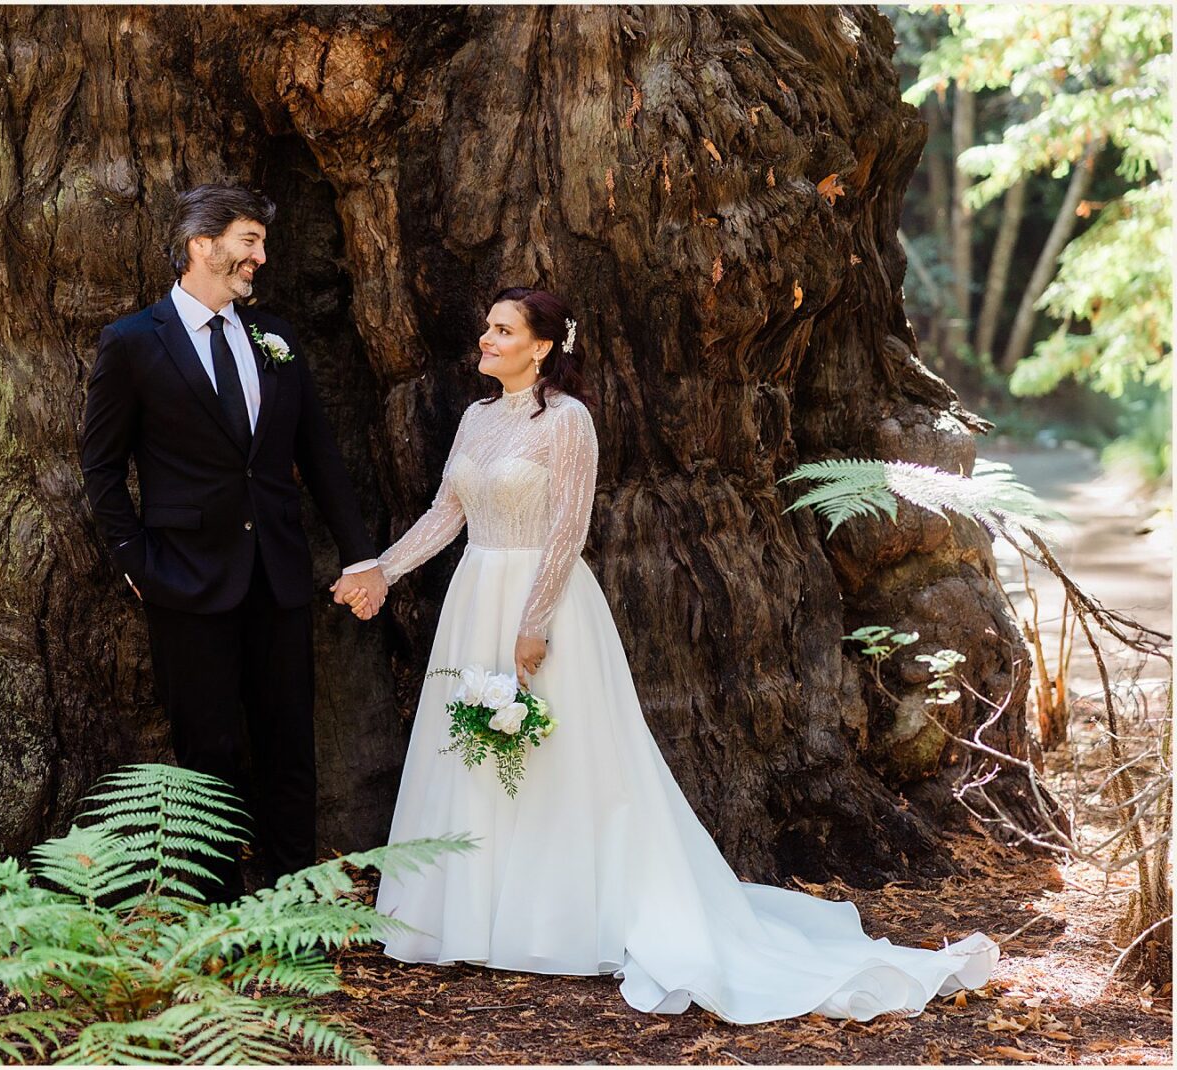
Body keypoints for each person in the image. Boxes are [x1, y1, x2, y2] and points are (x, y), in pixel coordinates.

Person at [335, 286, 999, 1023]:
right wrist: (382, 571)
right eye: (486, 326)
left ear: (543, 346)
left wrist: (533, 621)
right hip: (474, 598)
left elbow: (567, 529)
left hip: (540, 601)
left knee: (556, 756)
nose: (485, 339)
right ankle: (465, 916)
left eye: (502, 329)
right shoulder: (475, 417)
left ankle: (553, 920)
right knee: (473, 753)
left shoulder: (568, 422)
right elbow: (444, 514)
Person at [79, 183, 388, 901]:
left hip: (277, 576)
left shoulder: (273, 339)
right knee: (206, 753)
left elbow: (318, 455)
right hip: (183, 580)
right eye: (249, 241)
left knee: (290, 745)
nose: (260, 257)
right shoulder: (131, 343)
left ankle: (290, 903)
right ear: (201, 245)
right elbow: (100, 468)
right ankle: (213, 913)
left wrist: (359, 554)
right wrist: (136, 565)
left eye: (261, 243)